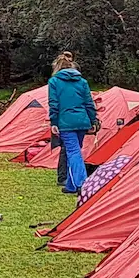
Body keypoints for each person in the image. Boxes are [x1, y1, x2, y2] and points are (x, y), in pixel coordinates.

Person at [45, 52, 100, 195]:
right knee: (75, 151)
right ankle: (70, 186)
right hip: (82, 121)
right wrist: (93, 120)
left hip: (65, 123)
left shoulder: (54, 82)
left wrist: (54, 122)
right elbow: (89, 102)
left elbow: (54, 104)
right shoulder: (82, 82)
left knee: (73, 152)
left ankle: (83, 184)